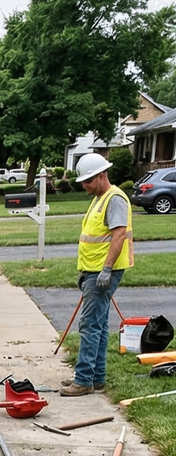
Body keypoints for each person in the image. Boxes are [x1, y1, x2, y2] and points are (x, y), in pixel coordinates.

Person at [63, 152, 134, 397]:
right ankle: (96, 378)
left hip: (103, 272)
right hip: (92, 271)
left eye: (88, 181)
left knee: (90, 325)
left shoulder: (115, 199)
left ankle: (83, 380)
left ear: (102, 176)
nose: (84, 186)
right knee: (100, 325)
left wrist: (106, 269)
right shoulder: (99, 197)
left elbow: (119, 235)